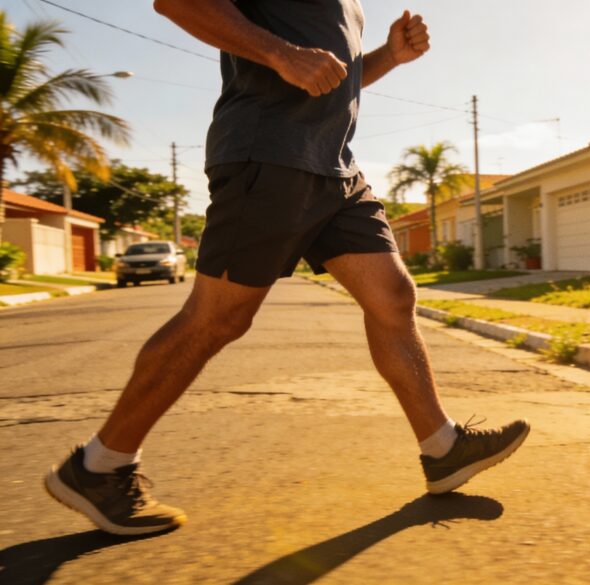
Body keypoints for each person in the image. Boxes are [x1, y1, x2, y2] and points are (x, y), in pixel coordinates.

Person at [44, 0, 529, 536]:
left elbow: (334, 79)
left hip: (334, 167)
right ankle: (100, 466)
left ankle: (442, 448)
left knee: (392, 296)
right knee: (218, 318)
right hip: (270, 152)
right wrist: (282, 54)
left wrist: (388, 56)